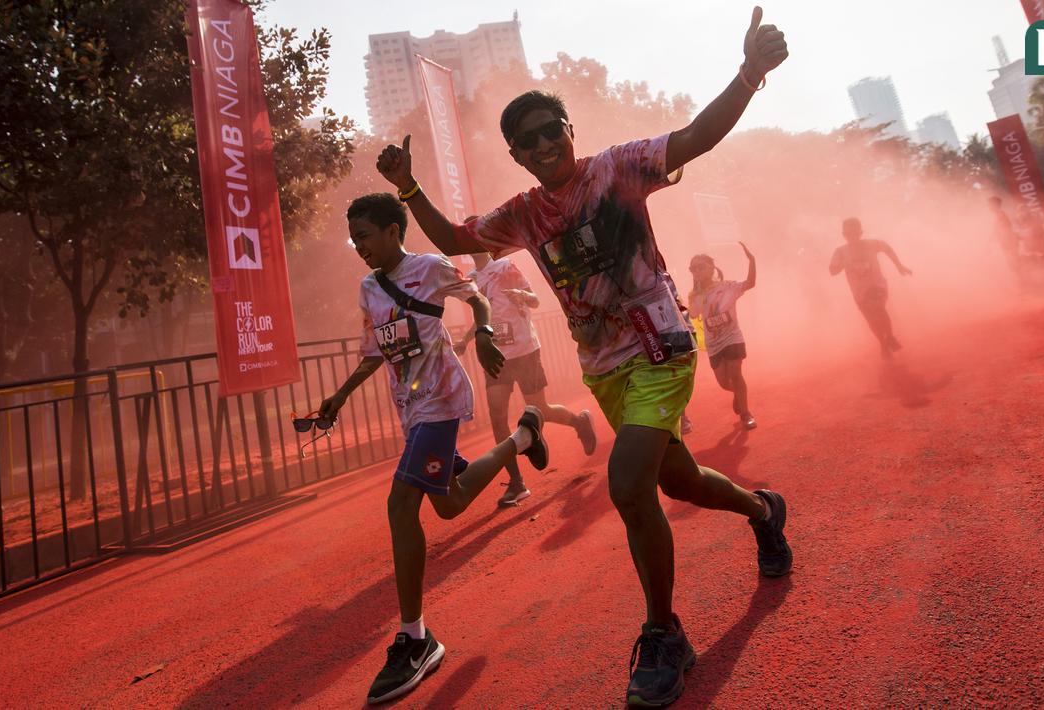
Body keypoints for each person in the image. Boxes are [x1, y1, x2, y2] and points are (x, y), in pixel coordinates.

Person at [375, 8, 792, 706]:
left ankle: (664, 637)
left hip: (660, 346)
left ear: (569, 132)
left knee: (628, 486)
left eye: (549, 131)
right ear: (514, 154)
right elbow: (454, 235)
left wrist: (749, 73)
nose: (541, 145)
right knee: (679, 482)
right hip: (604, 369)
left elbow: (695, 136)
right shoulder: (521, 213)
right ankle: (761, 511)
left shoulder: (620, 167)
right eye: (524, 141)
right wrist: (409, 187)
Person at [318, 193, 552, 705]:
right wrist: (337, 397)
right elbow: (373, 352)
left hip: (442, 397)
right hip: (410, 407)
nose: (359, 246)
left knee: (401, 503)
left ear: (393, 231)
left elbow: (477, 298)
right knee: (449, 503)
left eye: (365, 235)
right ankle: (524, 437)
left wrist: (485, 333)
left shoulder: (429, 267)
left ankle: (415, 638)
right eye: (354, 239)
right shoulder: (368, 287)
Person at [454, 250, 598, 506]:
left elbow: (535, 301)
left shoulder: (505, 267)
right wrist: (466, 342)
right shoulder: (472, 279)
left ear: (485, 244)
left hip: (523, 349)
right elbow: (482, 318)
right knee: (498, 416)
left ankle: (579, 422)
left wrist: (521, 295)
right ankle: (517, 483)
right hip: (496, 355)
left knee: (540, 408)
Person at [686, 243, 758, 429]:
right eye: (693, 269)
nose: (697, 271)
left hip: (733, 336)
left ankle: (745, 413)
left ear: (711, 268)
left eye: (700, 267)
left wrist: (752, 261)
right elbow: (693, 314)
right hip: (714, 343)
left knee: (735, 371)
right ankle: (738, 395)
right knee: (724, 382)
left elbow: (750, 284)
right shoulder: (695, 295)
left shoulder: (728, 287)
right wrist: (697, 295)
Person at [828, 217, 912, 359]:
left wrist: (899, 265)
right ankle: (883, 343)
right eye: (849, 234)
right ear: (844, 235)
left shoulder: (871, 244)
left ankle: (890, 337)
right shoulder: (841, 252)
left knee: (879, 309)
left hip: (876, 285)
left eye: (855, 233)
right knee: (871, 320)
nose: (852, 237)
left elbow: (887, 249)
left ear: (860, 233)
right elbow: (832, 271)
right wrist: (840, 265)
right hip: (859, 291)